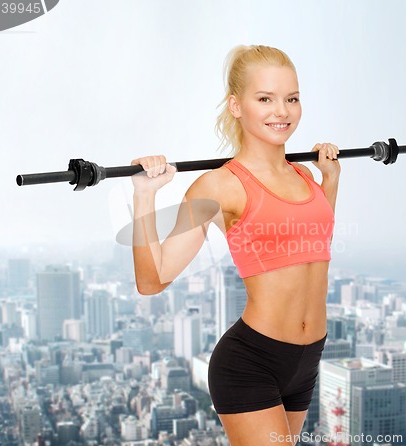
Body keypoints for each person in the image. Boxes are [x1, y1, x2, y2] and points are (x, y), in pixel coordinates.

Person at [131, 45, 341, 446]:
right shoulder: (219, 185)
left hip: (308, 360)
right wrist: (145, 194)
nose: (281, 111)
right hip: (251, 363)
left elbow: (316, 247)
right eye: (265, 99)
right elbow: (152, 280)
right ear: (236, 105)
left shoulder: (304, 177)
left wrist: (329, 180)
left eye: (291, 99)